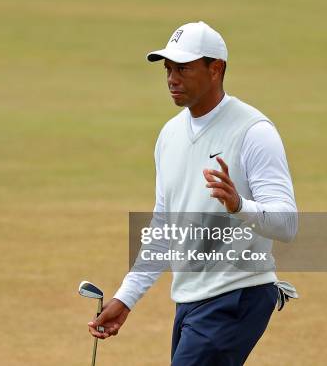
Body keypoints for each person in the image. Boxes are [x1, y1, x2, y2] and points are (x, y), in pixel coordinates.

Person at [87, 21, 299, 365]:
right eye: (168, 69)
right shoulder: (169, 135)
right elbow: (162, 230)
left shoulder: (254, 131)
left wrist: (238, 205)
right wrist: (126, 299)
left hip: (237, 295)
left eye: (183, 68)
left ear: (216, 69)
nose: (172, 78)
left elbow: (287, 225)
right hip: (190, 300)